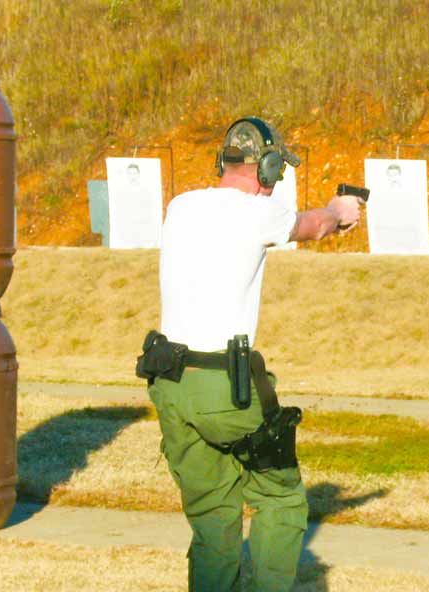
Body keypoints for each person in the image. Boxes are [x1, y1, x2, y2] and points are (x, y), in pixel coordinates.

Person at [142, 116, 361, 591]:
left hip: (171, 385)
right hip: (226, 385)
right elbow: (315, 225)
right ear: (266, 169)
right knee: (280, 498)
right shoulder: (258, 212)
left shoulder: (181, 206)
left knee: (213, 514)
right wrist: (338, 210)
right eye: (277, 170)